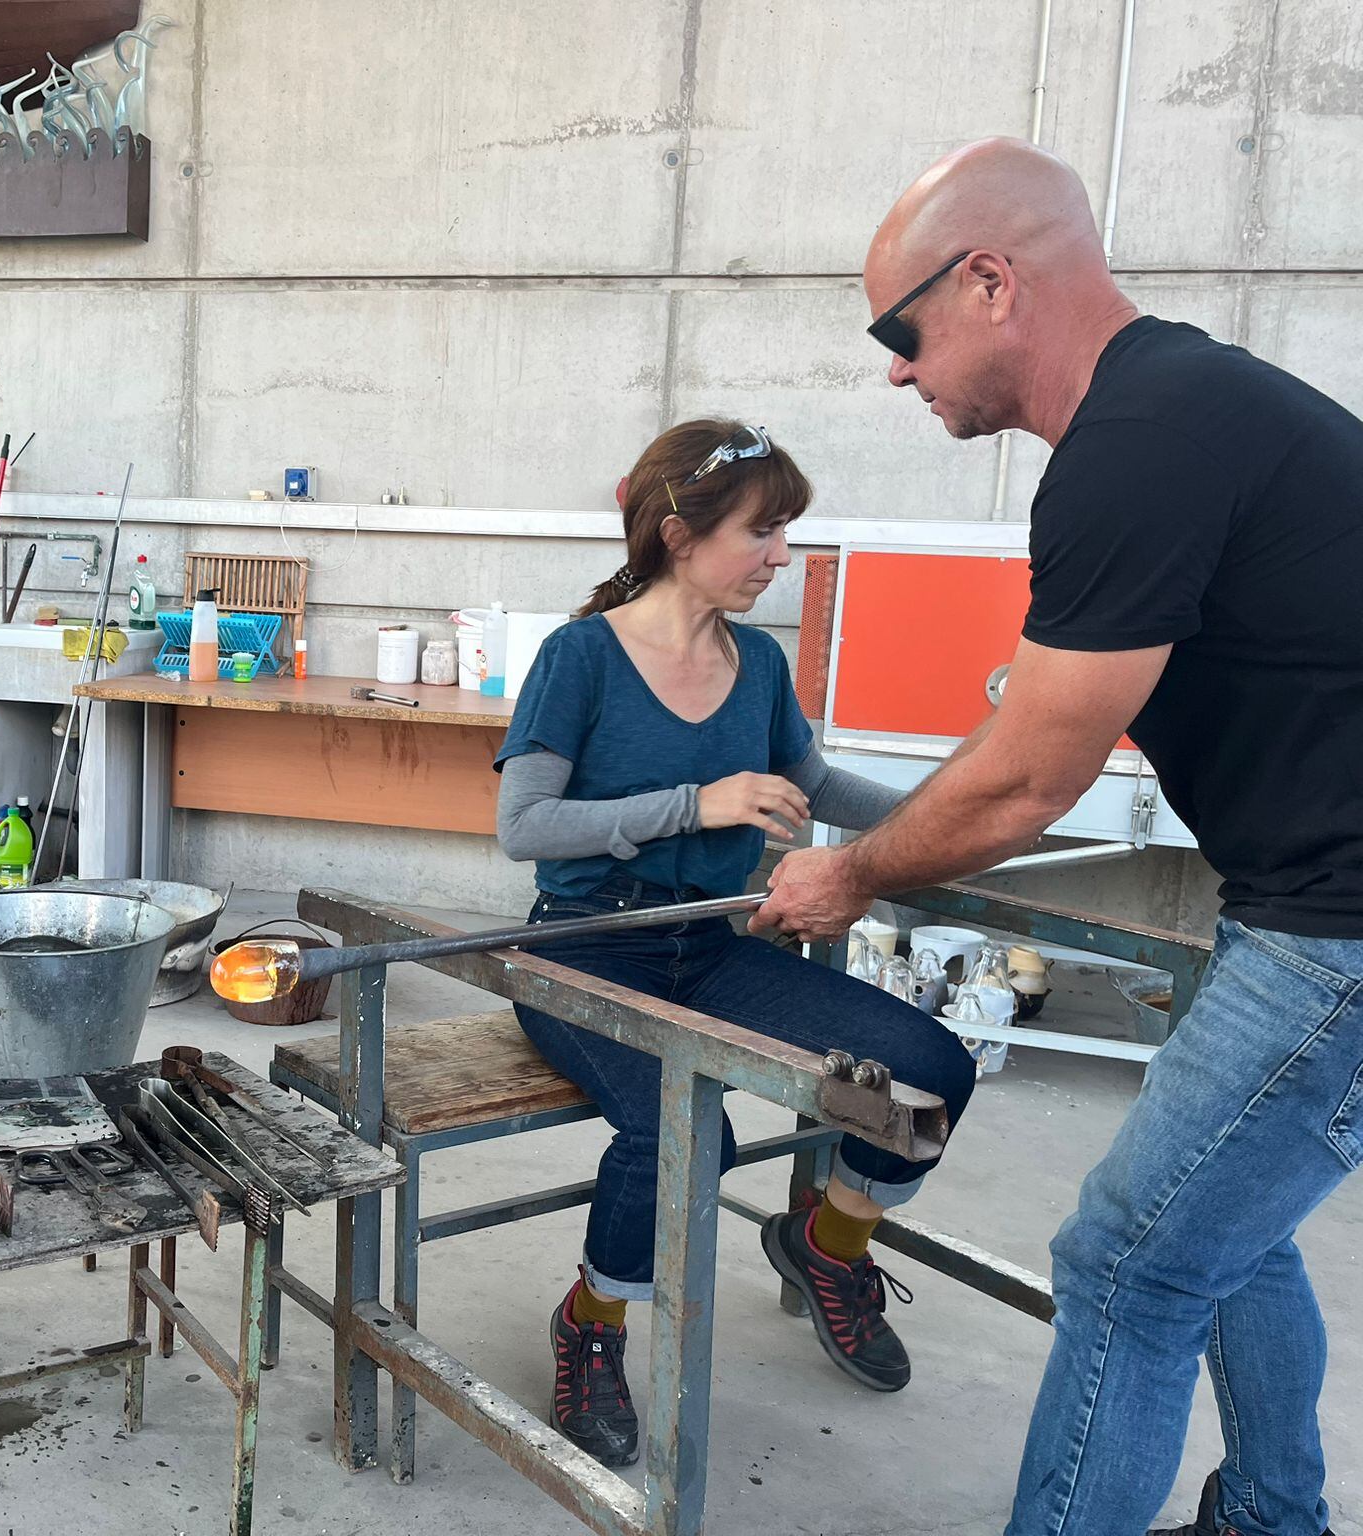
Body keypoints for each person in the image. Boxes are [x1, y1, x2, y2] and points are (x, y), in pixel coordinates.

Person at [757, 139, 1363, 1536]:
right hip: (1307, 900)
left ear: (987, 282)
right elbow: (1029, 733)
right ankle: (1272, 1515)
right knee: (1225, 1233)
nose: (895, 373)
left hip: (1336, 927)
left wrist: (845, 876)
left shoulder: (1134, 450)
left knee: (1126, 1266)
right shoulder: (1188, 405)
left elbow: (1026, 779)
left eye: (898, 333)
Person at [494, 418, 977, 1468]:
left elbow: (816, 786)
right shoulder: (579, 658)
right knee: (684, 1132)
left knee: (930, 1072)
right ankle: (590, 1322)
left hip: (710, 949)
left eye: (784, 532)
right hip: (583, 948)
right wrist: (695, 803)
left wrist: (949, 821)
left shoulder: (755, 663)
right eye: (763, 532)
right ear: (679, 535)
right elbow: (523, 828)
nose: (781, 557)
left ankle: (826, 1245)